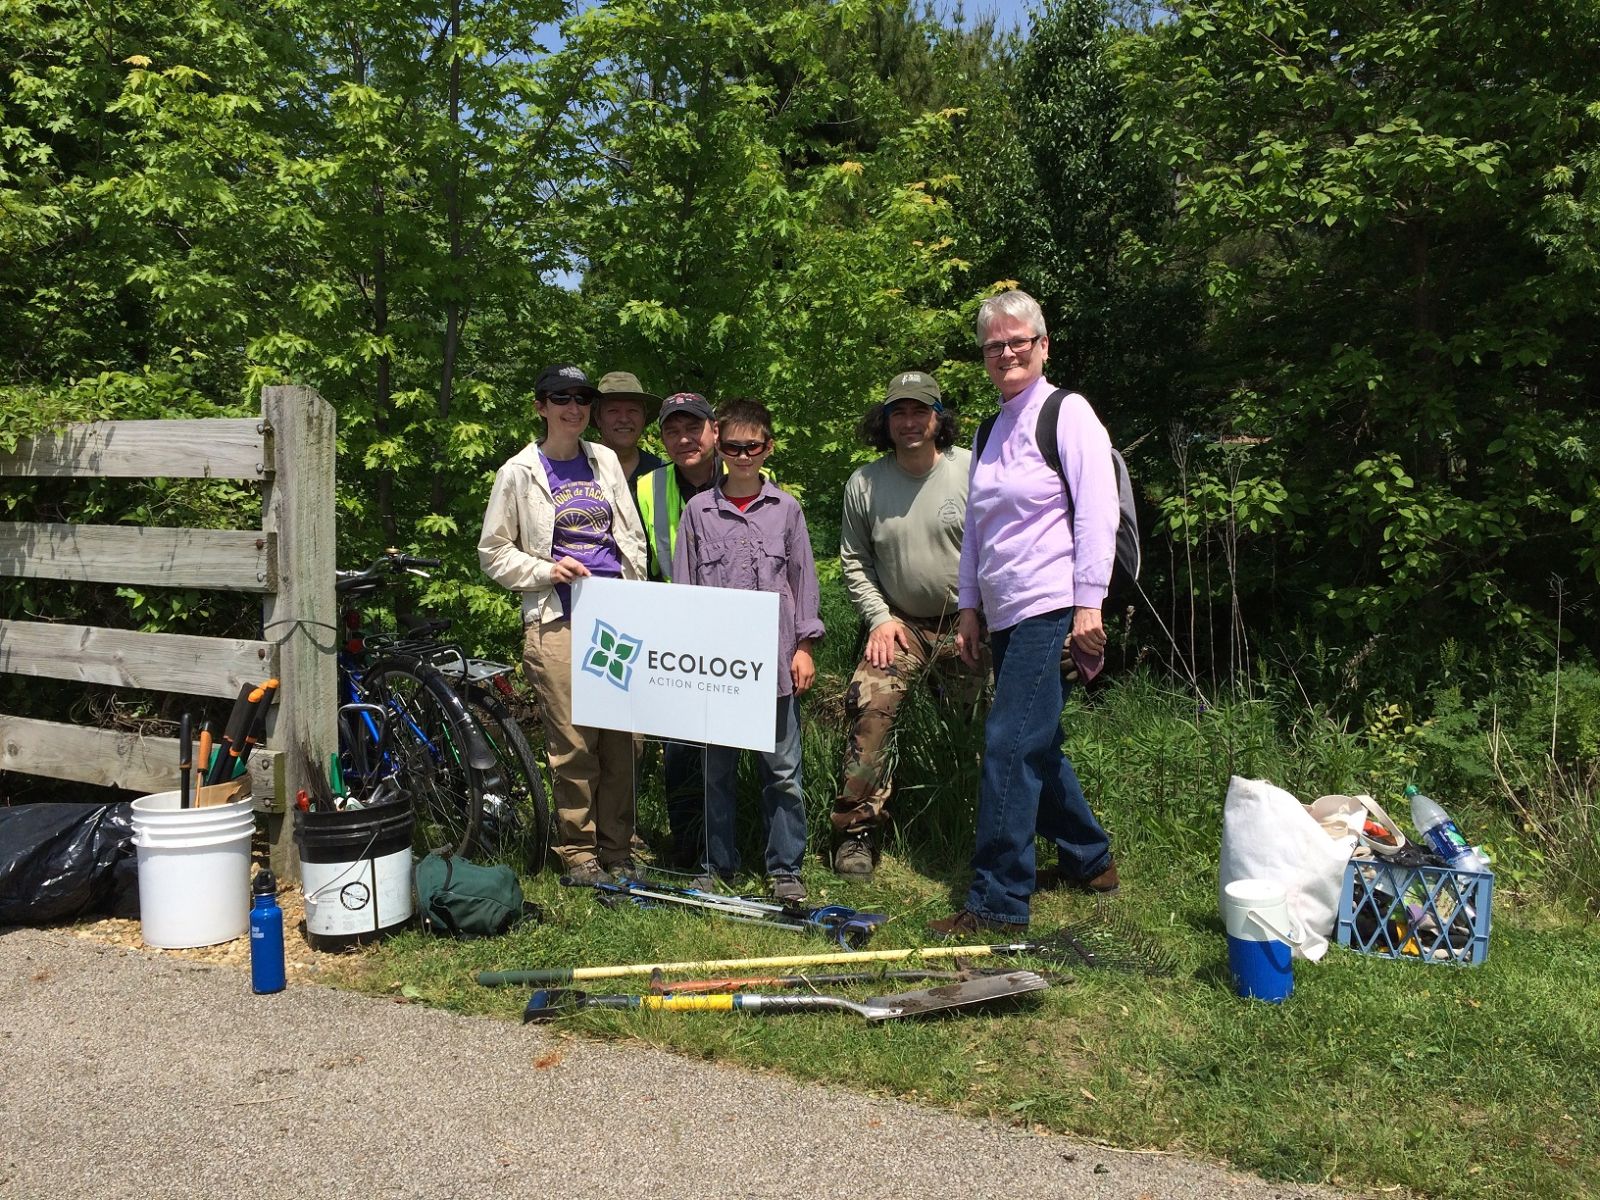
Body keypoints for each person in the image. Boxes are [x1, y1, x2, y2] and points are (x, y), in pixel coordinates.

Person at [931, 290, 1119, 938]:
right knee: (1037, 744)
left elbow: (1099, 510)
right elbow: (978, 531)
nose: (1006, 352)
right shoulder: (990, 428)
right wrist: (970, 608)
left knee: (1009, 743)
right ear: (984, 357)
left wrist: (1089, 603)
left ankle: (996, 901)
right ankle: (1090, 860)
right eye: (994, 346)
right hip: (1004, 611)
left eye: (1018, 341)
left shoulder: (1066, 413)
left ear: (1042, 345)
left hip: (1050, 605)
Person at [478, 363, 648, 884]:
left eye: (581, 398)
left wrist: (634, 589)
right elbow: (493, 552)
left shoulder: (604, 462)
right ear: (541, 407)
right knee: (575, 739)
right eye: (560, 398)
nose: (573, 408)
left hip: (617, 617)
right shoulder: (518, 472)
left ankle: (618, 847)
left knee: (625, 739)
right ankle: (578, 851)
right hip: (558, 619)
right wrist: (546, 570)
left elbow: (630, 533)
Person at [830, 370, 986, 881]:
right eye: (899, 412)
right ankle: (856, 833)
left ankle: (976, 825)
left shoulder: (973, 469)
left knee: (983, 726)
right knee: (870, 706)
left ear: (939, 417)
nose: (910, 421)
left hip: (970, 623)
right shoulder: (866, 482)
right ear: (886, 420)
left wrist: (977, 613)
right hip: (901, 628)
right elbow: (855, 561)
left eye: (921, 410)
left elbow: (1001, 544)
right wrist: (879, 618)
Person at [672, 398, 823, 904]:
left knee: (781, 772)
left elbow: (804, 582)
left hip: (776, 664)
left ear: (767, 448)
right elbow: (684, 589)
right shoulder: (697, 512)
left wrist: (804, 646)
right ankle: (717, 865)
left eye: (751, 446)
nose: (741, 455)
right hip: (717, 670)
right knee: (716, 773)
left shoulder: (787, 511)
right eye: (733, 446)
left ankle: (785, 868)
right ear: (719, 444)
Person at [636, 391, 722, 867]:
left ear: (714, 430)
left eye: (694, 428)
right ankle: (688, 844)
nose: (684, 438)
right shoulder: (649, 487)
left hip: (734, 627)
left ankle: (732, 843)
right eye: (672, 430)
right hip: (676, 628)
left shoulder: (744, 472)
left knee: (736, 742)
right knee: (682, 746)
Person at [593, 371, 664, 502]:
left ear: (644, 419)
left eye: (632, 410)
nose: (624, 419)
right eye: (613, 411)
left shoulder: (662, 473)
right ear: (598, 418)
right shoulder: (578, 469)